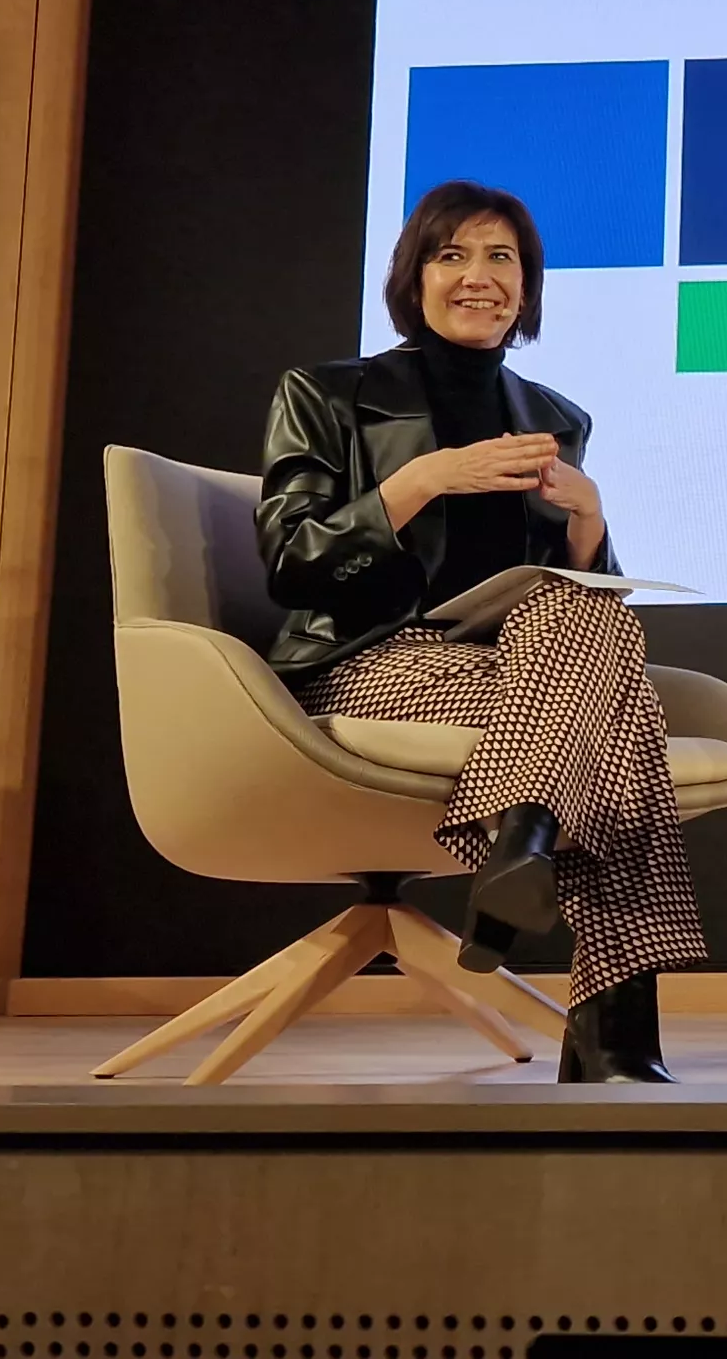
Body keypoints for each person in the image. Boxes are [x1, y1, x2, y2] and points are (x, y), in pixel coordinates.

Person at [256, 179, 703, 1083]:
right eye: (451, 255)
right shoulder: (327, 394)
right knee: (623, 726)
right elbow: (291, 563)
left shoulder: (554, 419)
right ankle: (613, 1031)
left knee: (586, 633)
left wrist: (587, 523)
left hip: (507, 673)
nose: (479, 277)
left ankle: (525, 844)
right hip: (366, 661)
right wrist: (422, 480)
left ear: (528, 287)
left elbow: (576, 597)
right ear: (413, 277)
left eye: (502, 258)